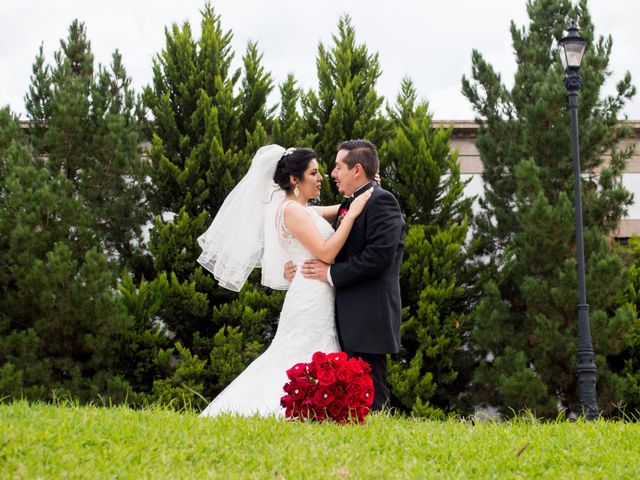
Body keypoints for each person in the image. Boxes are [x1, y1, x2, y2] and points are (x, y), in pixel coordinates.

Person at [197, 145, 372, 417]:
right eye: (313, 173)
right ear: (295, 180)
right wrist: (352, 214)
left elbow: (340, 208)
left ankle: (318, 408)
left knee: (314, 350)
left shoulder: (304, 209)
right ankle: (278, 408)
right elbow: (326, 252)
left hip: (317, 290)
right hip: (310, 296)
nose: (320, 178)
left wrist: (366, 190)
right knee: (300, 351)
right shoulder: (291, 210)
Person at [291, 139, 405, 411]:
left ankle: (380, 446)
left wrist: (330, 273)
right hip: (348, 315)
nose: (332, 174)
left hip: (369, 316)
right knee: (354, 398)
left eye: (338, 167)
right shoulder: (350, 205)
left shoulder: (382, 200)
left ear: (356, 170)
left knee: (373, 395)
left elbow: (378, 257)